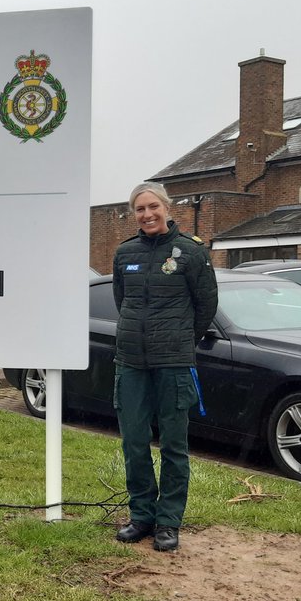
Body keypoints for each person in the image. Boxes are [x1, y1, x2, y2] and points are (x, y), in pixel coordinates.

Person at [111, 182, 218, 552]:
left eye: (153, 206)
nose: (147, 214)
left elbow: (206, 307)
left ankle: (168, 522)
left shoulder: (191, 252)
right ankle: (141, 516)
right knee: (134, 442)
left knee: (174, 444)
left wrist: (180, 341)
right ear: (133, 214)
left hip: (173, 362)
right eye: (139, 209)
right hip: (131, 362)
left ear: (167, 207)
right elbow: (120, 300)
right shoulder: (125, 253)